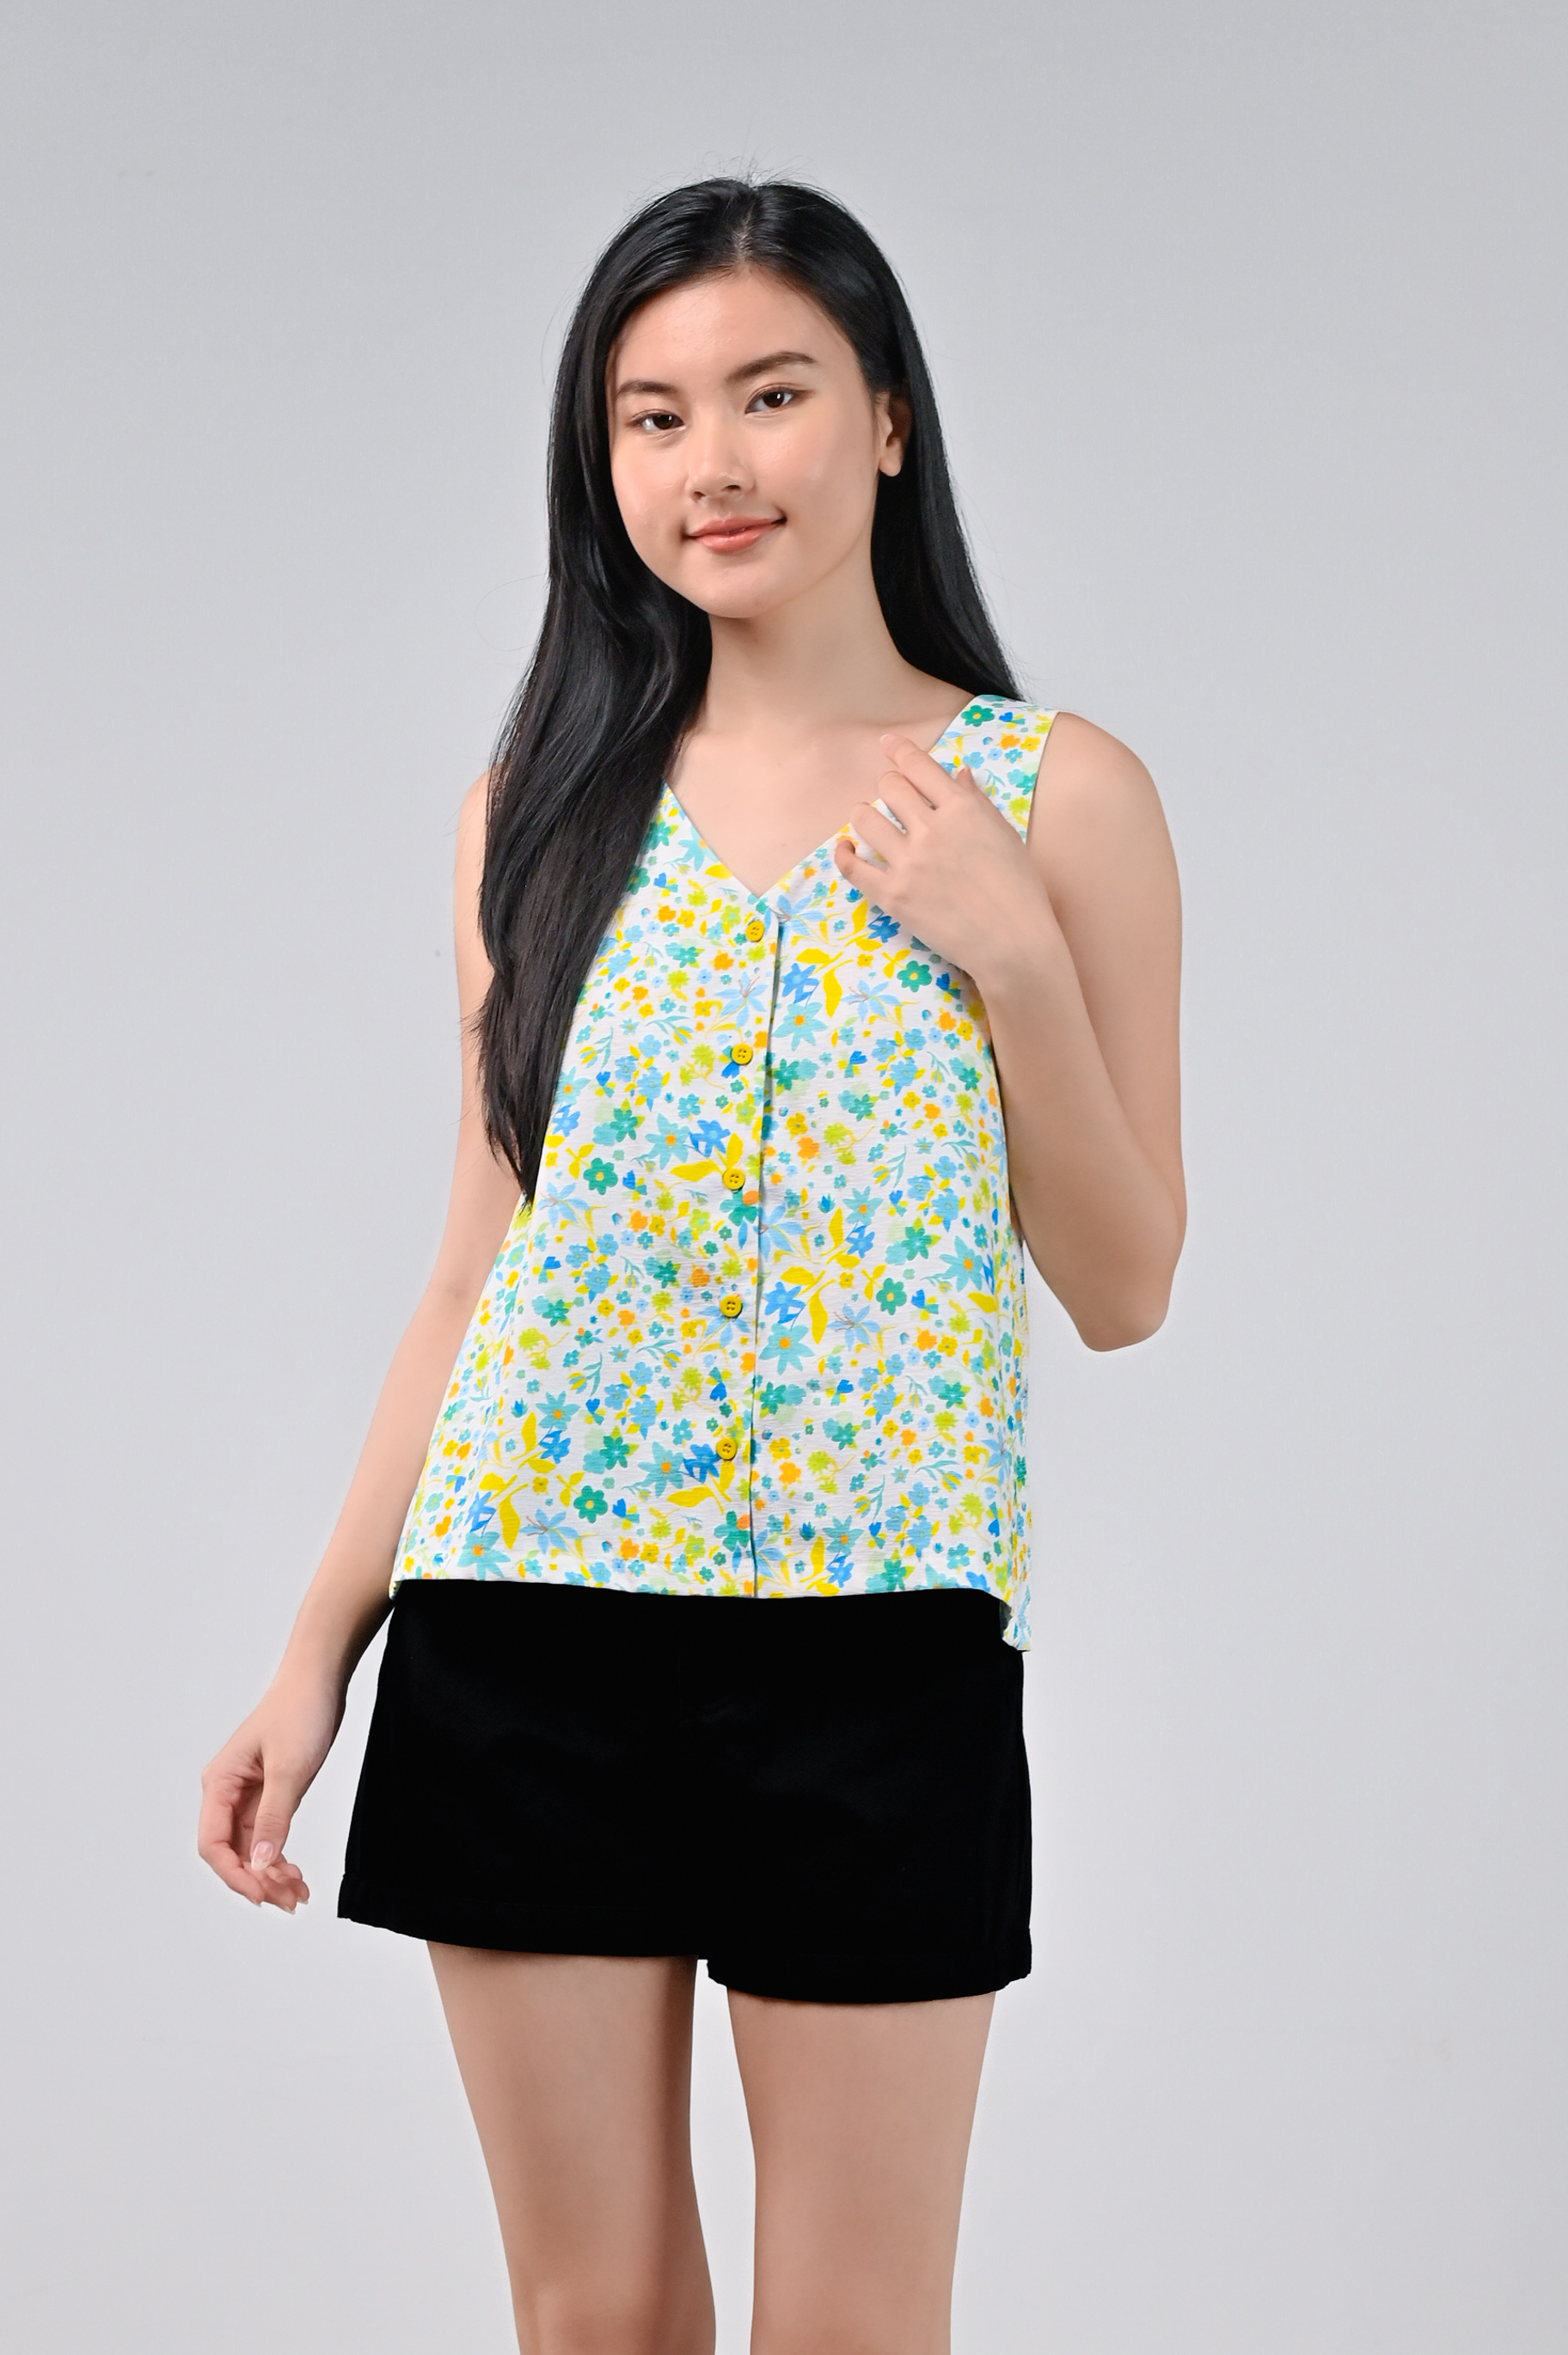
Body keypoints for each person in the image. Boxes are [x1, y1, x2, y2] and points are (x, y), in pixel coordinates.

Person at [198, 176, 1184, 2355]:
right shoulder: (541, 809)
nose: (711, 462)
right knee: (597, 2319)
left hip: (886, 1642)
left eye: (771, 394)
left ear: (890, 420)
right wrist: (313, 1656)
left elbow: (1126, 1284)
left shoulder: (1058, 796)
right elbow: (473, 1273)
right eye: (651, 416)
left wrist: (1017, 959)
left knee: (855, 2327)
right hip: (524, 1625)